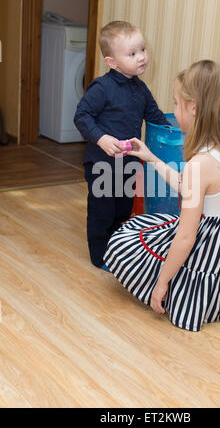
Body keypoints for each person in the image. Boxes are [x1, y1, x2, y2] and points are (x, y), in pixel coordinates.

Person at [103, 60, 220, 332]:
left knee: (124, 240)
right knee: (142, 226)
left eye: (176, 104)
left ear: (193, 107)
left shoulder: (200, 164)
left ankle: (170, 286)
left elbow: (185, 236)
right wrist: (150, 157)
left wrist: (161, 283)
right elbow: (186, 186)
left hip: (205, 240)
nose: (174, 110)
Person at [74, 21, 170, 269]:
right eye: (132, 53)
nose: (141, 57)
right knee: (102, 210)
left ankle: (116, 252)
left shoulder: (141, 88)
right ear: (112, 62)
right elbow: (82, 116)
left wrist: (175, 131)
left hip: (128, 164)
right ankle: (99, 256)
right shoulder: (101, 88)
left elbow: (155, 116)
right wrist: (102, 138)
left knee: (123, 209)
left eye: (142, 50)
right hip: (102, 164)